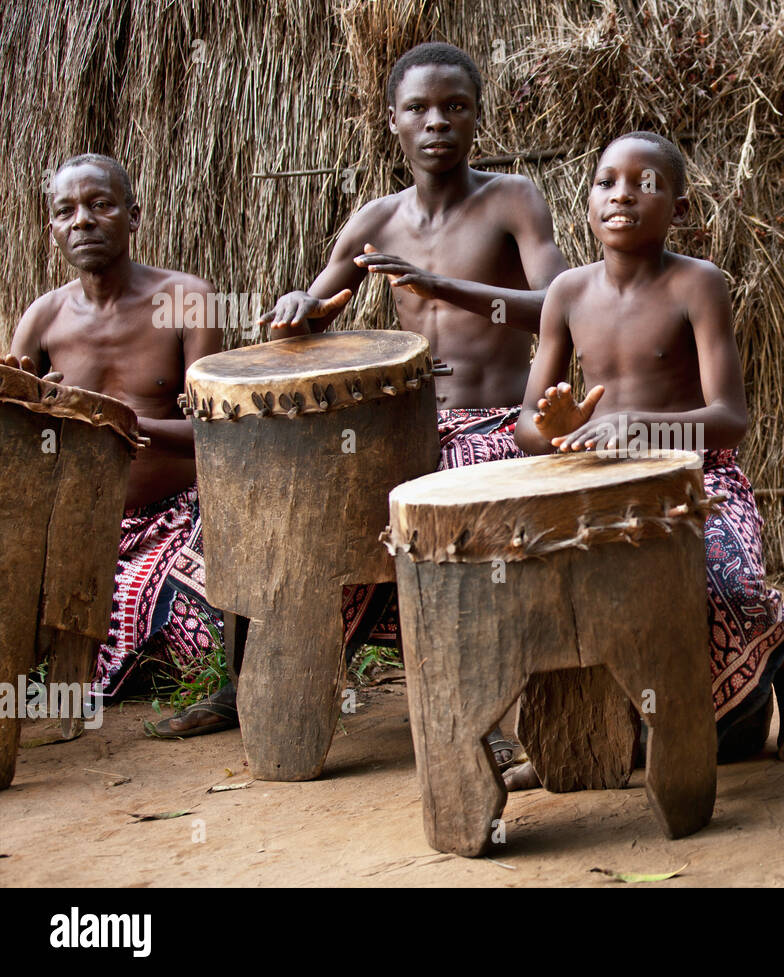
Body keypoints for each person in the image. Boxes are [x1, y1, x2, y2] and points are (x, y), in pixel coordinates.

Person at [255, 41, 569, 764]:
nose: (437, 123)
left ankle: (488, 708)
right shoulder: (374, 221)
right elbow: (319, 297)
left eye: (455, 107)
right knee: (322, 522)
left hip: (498, 425)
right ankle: (284, 695)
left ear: (476, 119)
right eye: (419, 109)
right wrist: (299, 306)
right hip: (414, 430)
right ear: (392, 121)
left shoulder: (513, 199)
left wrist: (444, 285)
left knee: (462, 515)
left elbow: (562, 304)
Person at [508, 131, 784, 790]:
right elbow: (526, 427)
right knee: (539, 592)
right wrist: (560, 428)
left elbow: (730, 419)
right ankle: (580, 735)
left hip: (698, 480)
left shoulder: (697, 284)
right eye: (606, 181)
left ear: (678, 209)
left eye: (644, 182)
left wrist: (637, 427)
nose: (623, 193)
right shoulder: (566, 294)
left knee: (726, 580)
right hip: (595, 486)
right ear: (588, 201)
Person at [5, 154, 232, 730]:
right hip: (76, 526)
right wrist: (22, 405)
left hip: (177, 518)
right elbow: (21, 444)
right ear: (53, 228)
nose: (82, 221)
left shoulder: (185, 297)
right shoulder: (43, 318)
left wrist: (120, 424)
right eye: (66, 211)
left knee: (204, 615)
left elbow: (219, 433)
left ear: (133, 216)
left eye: (100, 205)